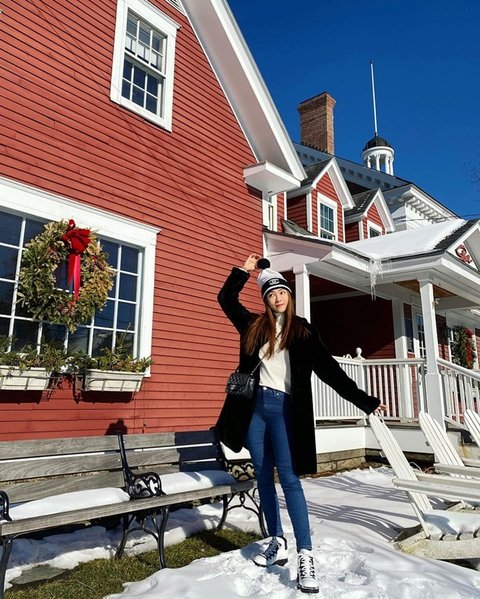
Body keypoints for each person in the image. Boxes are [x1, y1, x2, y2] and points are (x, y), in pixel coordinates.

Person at [216, 254, 382, 594]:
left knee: (290, 480)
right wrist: (243, 272)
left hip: (284, 411)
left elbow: (331, 372)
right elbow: (226, 299)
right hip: (254, 409)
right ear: (265, 300)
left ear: (289, 295)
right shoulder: (253, 326)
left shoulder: (304, 332)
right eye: (271, 294)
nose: (277, 298)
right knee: (263, 475)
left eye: (282, 292)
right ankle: (276, 541)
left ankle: (305, 554)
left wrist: (366, 402)